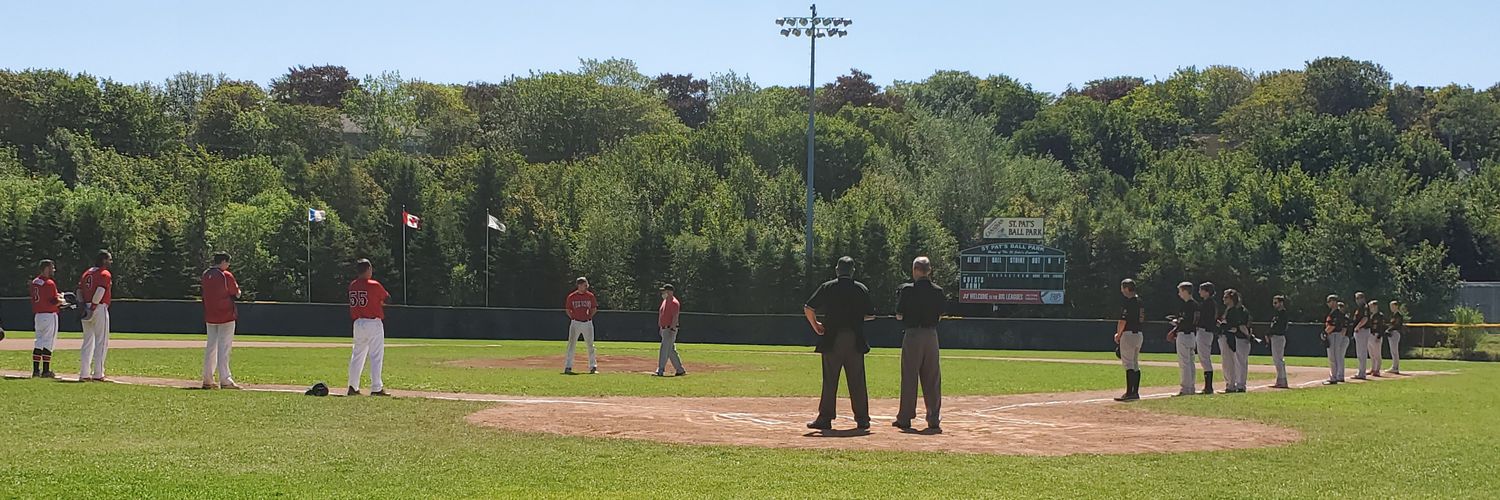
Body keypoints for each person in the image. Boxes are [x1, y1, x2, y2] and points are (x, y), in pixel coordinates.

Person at [803, 256, 876, 430]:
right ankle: (862, 419)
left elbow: (808, 308)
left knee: (830, 379)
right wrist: (856, 319)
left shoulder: (828, 287)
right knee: (857, 380)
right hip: (854, 339)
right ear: (853, 271)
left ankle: (825, 418)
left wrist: (816, 325)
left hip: (832, 338)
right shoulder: (860, 288)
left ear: (837, 270)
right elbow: (871, 314)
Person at [894, 256, 945, 431]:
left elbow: (899, 315)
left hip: (913, 334)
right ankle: (933, 418)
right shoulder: (938, 291)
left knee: (909, 376)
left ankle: (905, 417)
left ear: (915, 270)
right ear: (929, 270)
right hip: (931, 335)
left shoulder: (907, 290)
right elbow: (939, 316)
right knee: (932, 377)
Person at [347, 259, 391, 396]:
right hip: (372, 323)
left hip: (358, 323)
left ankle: (353, 387)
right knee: (376, 356)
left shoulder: (353, 285)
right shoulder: (374, 284)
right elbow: (387, 299)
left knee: (357, 355)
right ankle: (376, 388)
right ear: (368, 269)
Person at [201, 252, 242, 389]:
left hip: (210, 315)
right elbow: (236, 292)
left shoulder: (206, 274)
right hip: (226, 315)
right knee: (224, 347)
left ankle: (207, 379)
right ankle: (225, 379)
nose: (228, 265)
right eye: (227, 262)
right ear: (223, 261)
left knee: (211, 346)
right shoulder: (225, 275)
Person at [77, 250, 114, 382]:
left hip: (86, 307)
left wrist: (82, 306)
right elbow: (101, 290)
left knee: (87, 341)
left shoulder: (87, 273)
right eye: (109, 259)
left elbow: (79, 290)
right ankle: (98, 373)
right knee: (101, 341)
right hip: (98, 307)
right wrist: (92, 307)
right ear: (104, 260)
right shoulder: (104, 273)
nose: (111, 262)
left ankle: (84, 373)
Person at [30, 259, 65, 379]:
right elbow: (54, 301)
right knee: (48, 343)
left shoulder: (35, 281)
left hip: (38, 315)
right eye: (51, 267)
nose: (53, 270)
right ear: (46, 268)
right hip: (49, 315)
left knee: (39, 342)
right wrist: (63, 301)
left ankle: (35, 371)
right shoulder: (49, 283)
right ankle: (46, 371)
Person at [1114, 279, 1146, 402]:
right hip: (1139, 334)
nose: (1122, 291)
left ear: (1127, 288)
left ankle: (1129, 393)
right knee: (1135, 363)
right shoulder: (1140, 302)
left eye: (1123, 288)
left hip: (1128, 334)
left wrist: (1118, 334)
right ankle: (1135, 392)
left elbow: (1123, 320)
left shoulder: (1129, 302)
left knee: (1128, 364)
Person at [1167, 281, 1200, 396]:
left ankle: (1186, 388)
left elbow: (1185, 321)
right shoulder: (1195, 304)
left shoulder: (1187, 305)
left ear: (1185, 291)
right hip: (1192, 335)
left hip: (1184, 335)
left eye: (1180, 291)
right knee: (1190, 362)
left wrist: (1176, 323)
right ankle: (1191, 387)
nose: (1179, 294)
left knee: (1184, 363)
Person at [563, 277, 598, 375]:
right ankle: (568, 366)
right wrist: (573, 317)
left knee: (590, 345)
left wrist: (589, 316)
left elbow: (594, 308)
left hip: (587, 323)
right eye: (584, 285)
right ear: (579, 285)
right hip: (575, 323)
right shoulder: (572, 296)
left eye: (586, 285)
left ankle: (593, 367)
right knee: (571, 345)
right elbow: (568, 309)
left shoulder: (590, 296)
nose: (586, 286)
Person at [1221, 289, 1252, 393]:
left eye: (1226, 297)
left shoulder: (1239, 310)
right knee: (1229, 362)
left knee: (1240, 362)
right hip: (1230, 338)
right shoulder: (1229, 310)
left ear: (1232, 299)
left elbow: (1242, 326)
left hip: (1240, 338)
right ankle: (1231, 384)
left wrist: (1248, 336)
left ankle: (1241, 385)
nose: (1223, 299)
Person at [655, 284, 685, 377]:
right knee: (671, 350)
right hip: (664, 328)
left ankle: (660, 369)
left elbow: (675, 317)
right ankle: (680, 370)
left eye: (665, 291)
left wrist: (672, 329)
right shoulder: (665, 301)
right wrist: (660, 326)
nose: (663, 293)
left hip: (670, 329)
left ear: (670, 292)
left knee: (664, 349)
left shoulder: (674, 303)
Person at [1195, 282, 1219, 394]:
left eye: (1201, 290)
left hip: (1204, 331)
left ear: (1207, 291)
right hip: (1206, 331)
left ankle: (1208, 387)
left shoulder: (1207, 303)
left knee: (1204, 358)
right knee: (1204, 358)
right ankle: (1208, 386)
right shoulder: (1210, 303)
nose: (1199, 292)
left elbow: (1205, 319)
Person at [1323, 296, 1348, 385]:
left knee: (1333, 357)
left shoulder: (1336, 313)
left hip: (1334, 335)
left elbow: (1332, 326)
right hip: (1334, 335)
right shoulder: (1334, 313)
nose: (1328, 303)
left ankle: (1334, 377)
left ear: (1334, 302)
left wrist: (1325, 333)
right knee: (1335, 357)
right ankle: (1337, 376)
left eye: (1329, 301)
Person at [1269, 295, 1290, 388]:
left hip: (1279, 337)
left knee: (1278, 359)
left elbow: (1279, 327)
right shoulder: (1277, 313)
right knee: (1277, 359)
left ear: (1281, 303)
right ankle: (1281, 379)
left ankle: (1282, 381)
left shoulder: (1283, 313)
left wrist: (1271, 332)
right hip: (1275, 337)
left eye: (1276, 302)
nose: (1274, 305)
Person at [1350, 291, 1371, 380]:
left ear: (1363, 298)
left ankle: (1361, 373)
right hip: (1360, 330)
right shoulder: (1359, 308)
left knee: (1361, 352)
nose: (1357, 300)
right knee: (1360, 352)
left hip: (1362, 330)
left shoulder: (1365, 307)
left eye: (1359, 298)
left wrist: (1357, 327)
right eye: (1356, 298)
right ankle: (1361, 371)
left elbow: (1365, 318)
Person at [1367, 300, 1387, 377]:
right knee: (1371, 353)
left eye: (1371, 306)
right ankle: (1372, 368)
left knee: (1377, 354)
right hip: (1370, 335)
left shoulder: (1380, 316)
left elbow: (1382, 326)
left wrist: (1379, 336)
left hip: (1376, 335)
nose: (1370, 308)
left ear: (1375, 306)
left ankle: (1377, 369)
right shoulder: (1371, 315)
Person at [1386, 301, 1405, 375]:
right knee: (1392, 351)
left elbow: (1397, 325)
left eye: (1392, 306)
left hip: (1395, 333)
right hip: (1391, 333)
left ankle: (1395, 367)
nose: (1391, 308)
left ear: (1396, 306)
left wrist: (1389, 330)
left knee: (1395, 351)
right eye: (1391, 306)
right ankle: (1394, 366)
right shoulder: (1393, 315)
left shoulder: (1398, 315)